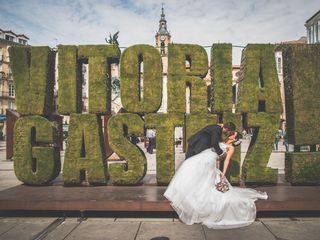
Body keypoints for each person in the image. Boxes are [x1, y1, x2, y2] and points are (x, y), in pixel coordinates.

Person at [164, 130, 268, 229]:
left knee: (202, 182)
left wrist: (223, 174)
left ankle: (196, 204)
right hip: (201, 158)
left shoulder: (230, 148)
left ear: (235, 138)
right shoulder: (221, 141)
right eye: (232, 133)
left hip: (208, 163)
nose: (231, 134)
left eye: (233, 134)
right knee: (189, 171)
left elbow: (226, 161)